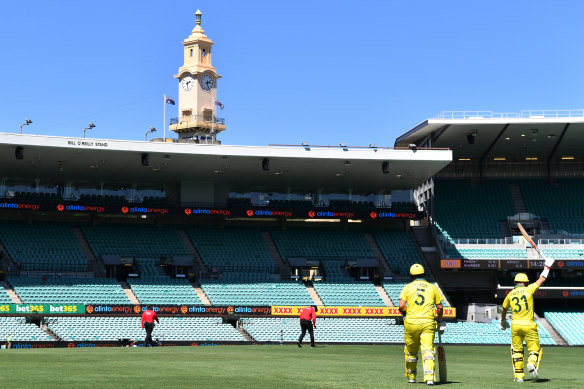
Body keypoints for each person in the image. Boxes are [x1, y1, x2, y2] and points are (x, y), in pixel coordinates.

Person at [500, 256, 554, 382]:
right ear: (526, 282)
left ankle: (519, 377)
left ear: (515, 282)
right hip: (529, 324)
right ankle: (532, 363)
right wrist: (547, 267)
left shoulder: (510, 294)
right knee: (535, 350)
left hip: (515, 325)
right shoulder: (529, 290)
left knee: (517, 351)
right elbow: (541, 280)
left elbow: (503, 309)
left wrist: (502, 321)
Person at [399, 264, 444, 386]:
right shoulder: (432, 287)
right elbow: (439, 307)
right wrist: (439, 321)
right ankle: (429, 378)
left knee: (411, 352)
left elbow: (401, 306)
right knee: (428, 350)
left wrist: (405, 314)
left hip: (411, 322)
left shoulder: (407, 287)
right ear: (424, 274)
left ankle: (411, 377)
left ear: (411, 275)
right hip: (428, 323)